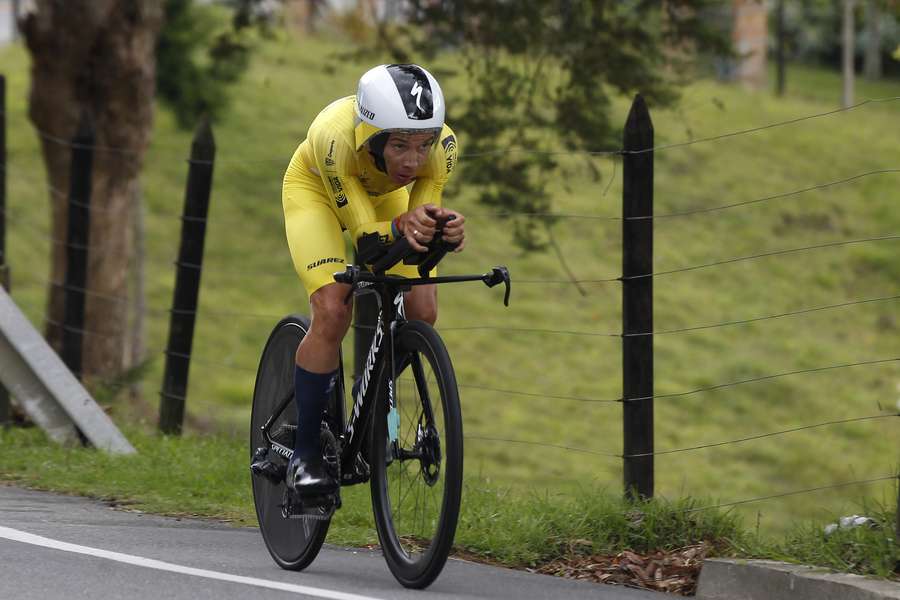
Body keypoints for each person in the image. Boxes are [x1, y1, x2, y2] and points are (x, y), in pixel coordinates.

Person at [279, 64, 465, 496]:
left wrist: (444, 231)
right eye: (399, 145)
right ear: (371, 136)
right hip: (319, 192)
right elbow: (369, 244)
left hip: (381, 200)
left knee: (422, 309)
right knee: (331, 309)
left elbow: (419, 227)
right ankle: (305, 454)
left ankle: (370, 399)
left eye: (423, 145)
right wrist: (404, 229)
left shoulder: (445, 148)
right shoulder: (335, 138)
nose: (413, 160)